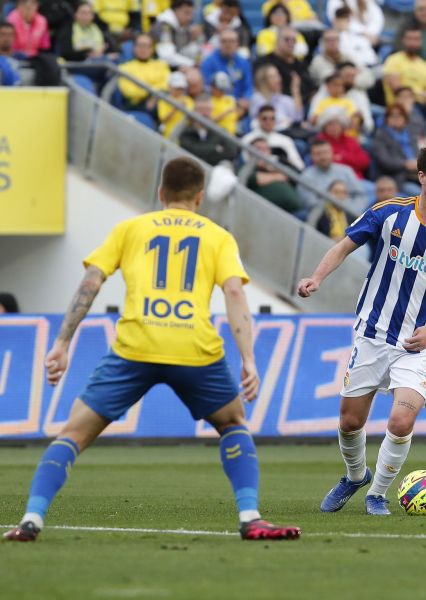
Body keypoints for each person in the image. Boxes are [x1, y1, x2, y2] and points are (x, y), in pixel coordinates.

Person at [3, 157, 300, 543]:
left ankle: (31, 520)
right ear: (199, 197)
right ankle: (250, 517)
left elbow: (91, 282)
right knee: (232, 423)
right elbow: (234, 292)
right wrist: (248, 359)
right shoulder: (216, 236)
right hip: (195, 349)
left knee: (72, 434)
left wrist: (61, 343)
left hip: (135, 347)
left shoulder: (130, 229)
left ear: (160, 193)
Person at [296, 144, 426, 516]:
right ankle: (354, 475)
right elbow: (345, 246)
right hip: (373, 332)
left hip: (419, 343)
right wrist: (316, 277)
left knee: (401, 419)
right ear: (422, 177)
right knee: (350, 422)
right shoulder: (388, 212)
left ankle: (377, 493)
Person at [382, 25, 426, 136]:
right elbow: (398, 90)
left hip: (424, 106)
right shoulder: (393, 60)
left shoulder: (425, 66)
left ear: (421, 42)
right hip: (401, 105)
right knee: (415, 114)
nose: (413, 42)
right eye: (410, 39)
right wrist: (422, 94)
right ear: (404, 40)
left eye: (417, 39)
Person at [297, 138, 367, 214]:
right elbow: (309, 203)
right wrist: (333, 202)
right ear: (312, 156)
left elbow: (361, 196)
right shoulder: (306, 176)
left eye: (325, 152)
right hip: (322, 216)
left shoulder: (346, 171)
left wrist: (350, 209)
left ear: (332, 153)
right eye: (318, 154)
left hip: (350, 213)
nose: (323, 157)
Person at [253, 25, 317, 102]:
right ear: (277, 41)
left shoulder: (300, 64)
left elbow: (312, 87)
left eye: (294, 40)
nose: (291, 43)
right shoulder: (263, 63)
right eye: (287, 39)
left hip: (305, 105)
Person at [200, 28, 252, 117]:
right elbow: (206, 87)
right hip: (217, 104)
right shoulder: (208, 62)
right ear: (219, 43)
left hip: (241, 105)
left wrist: (246, 99)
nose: (228, 45)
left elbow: (249, 86)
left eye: (232, 41)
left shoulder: (244, 62)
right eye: (224, 41)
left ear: (238, 44)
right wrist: (233, 101)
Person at [370, 103, 421, 193]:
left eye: (399, 115)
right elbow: (384, 161)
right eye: (392, 116)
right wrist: (405, 164)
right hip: (396, 177)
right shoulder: (381, 135)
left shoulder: (410, 135)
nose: (396, 119)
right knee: (417, 193)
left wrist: (418, 162)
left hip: (416, 173)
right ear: (387, 119)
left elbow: (418, 154)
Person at [241, 104, 306, 173]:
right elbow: (245, 161)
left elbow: (298, 164)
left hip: (282, 174)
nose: (268, 122)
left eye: (272, 118)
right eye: (264, 118)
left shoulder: (286, 140)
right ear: (258, 119)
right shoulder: (247, 139)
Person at [246, 138, 304, 214]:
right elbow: (251, 179)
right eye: (258, 149)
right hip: (264, 212)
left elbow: (297, 177)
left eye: (265, 149)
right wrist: (277, 176)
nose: (261, 152)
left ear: (270, 152)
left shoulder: (279, 165)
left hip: (293, 212)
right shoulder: (247, 168)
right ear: (249, 153)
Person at [179, 94, 238, 166]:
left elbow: (231, 152)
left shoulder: (220, 131)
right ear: (194, 111)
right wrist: (216, 149)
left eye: (208, 110)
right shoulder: (186, 132)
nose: (205, 113)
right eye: (201, 110)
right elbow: (195, 152)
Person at [118, 33, 170, 112]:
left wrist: (154, 97)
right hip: (137, 105)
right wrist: (153, 91)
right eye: (140, 45)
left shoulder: (161, 65)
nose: (143, 49)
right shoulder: (124, 68)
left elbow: (167, 84)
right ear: (134, 48)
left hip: (160, 99)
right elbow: (129, 91)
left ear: (152, 48)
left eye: (146, 46)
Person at [309, 28, 375, 89]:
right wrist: (351, 74)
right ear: (323, 42)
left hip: (350, 91)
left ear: (339, 41)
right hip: (327, 95)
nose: (332, 43)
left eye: (334, 39)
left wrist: (353, 81)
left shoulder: (348, 57)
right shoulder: (318, 60)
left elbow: (368, 76)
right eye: (328, 40)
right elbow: (331, 81)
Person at [316, 107, 370, 179]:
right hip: (331, 181)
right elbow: (325, 163)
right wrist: (351, 160)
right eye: (330, 124)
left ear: (342, 125)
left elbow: (364, 162)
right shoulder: (320, 141)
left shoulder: (351, 140)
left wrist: (343, 157)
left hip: (356, 179)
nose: (334, 127)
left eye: (337, 123)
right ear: (324, 126)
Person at [151, 0, 205, 69]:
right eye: (186, 13)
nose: (190, 18)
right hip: (158, 67)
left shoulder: (182, 25)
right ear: (175, 10)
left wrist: (196, 38)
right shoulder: (164, 26)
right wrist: (192, 64)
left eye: (191, 14)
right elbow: (167, 56)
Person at [250, 63, 302, 130]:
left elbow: (298, 117)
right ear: (264, 80)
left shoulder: (284, 98)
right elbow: (264, 119)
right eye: (273, 77)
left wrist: (296, 91)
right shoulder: (257, 98)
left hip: (287, 133)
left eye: (278, 75)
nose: (278, 79)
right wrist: (283, 121)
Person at [157, 71, 194, 139]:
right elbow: (163, 119)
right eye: (176, 88)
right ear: (170, 87)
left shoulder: (188, 100)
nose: (179, 91)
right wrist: (175, 108)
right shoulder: (164, 100)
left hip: (184, 133)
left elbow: (191, 119)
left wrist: (185, 108)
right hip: (168, 133)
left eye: (181, 88)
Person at [210, 72, 239, 136]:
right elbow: (209, 121)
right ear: (212, 87)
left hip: (233, 133)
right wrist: (225, 113)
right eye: (220, 89)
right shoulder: (208, 101)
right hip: (217, 134)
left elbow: (236, 116)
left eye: (224, 89)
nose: (222, 91)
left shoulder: (230, 99)